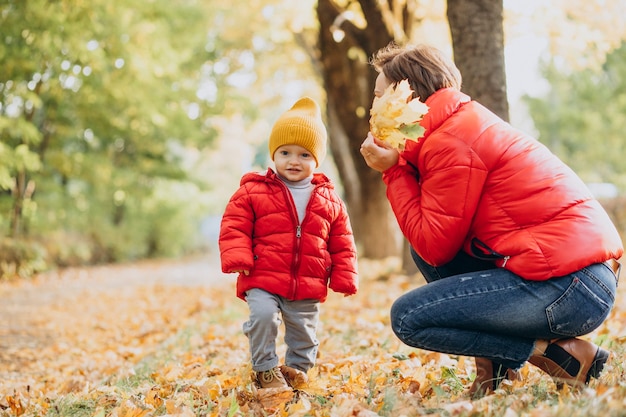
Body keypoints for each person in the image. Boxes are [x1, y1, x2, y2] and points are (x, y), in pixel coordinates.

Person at [360, 43, 623, 398]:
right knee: (428, 255)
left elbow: (433, 245)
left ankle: (558, 356)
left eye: (379, 96)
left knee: (409, 318)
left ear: (405, 96)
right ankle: (496, 373)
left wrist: (393, 172)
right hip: (574, 279)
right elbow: (436, 244)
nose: (372, 107)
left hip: (573, 288)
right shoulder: (452, 126)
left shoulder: (450, 141)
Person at [219, 97, 359, 390]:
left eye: (304, 155)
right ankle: (266, 369)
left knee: (304, 334)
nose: (294, 161)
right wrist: (238, 257)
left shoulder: (328, 198)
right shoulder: (253, 190)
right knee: (263, 316)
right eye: (285, 152)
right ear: (274, 154)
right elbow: (234, 224)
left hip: (307, 279)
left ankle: (297, 374)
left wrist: (344, 276)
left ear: (316, 159)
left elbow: (342, 241)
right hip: (263, 275)